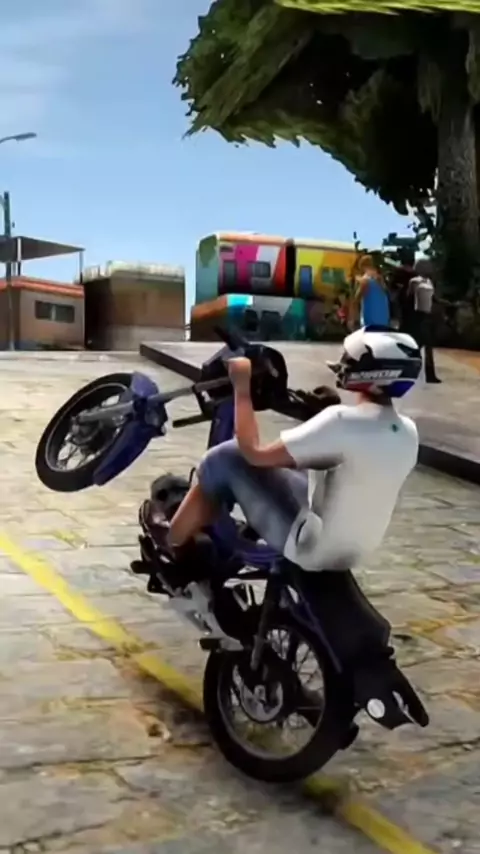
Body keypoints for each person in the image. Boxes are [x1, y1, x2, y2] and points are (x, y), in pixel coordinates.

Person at [140, 327, 422, 590]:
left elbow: (254, 454)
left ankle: (173, 545)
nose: (344, 363)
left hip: (311, 547)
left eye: (352, 360)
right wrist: (318, 411)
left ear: (376, 373)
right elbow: (349, 462)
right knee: (295, 466)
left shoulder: (340, 421)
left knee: (223, 458)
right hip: (355, 549)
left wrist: (242, 388)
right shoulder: (407, 431)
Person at [407, 260, 441, 384]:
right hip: (419, 315)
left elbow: (434, 298)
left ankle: (429, 374)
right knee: (422, 345)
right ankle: (425, 374)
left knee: (424, 345)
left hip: (428, 315)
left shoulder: (429, 281)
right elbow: (409, 297)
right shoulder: (414, 281)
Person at [354, 256, 390, 328]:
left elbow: (357, 297)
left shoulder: (365, 279)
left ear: (362, 266)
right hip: (383, 318)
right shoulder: (380, 279)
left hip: (371, 317)